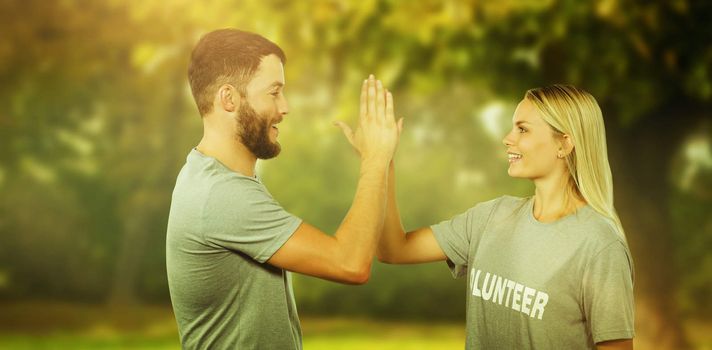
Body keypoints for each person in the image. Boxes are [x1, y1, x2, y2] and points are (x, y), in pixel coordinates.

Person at [166, 28, 400, 349]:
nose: (285, 107)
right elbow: (350, 263)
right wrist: (376, 158)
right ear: (229, 98)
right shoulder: (221, 195)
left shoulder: (213, 175)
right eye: (274, 92)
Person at [369, 85, 635, 349]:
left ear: (564, 144)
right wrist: (381, 162)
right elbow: (393, 248)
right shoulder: (490, 218)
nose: (508, 138)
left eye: (523, 129)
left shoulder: (600, 245)